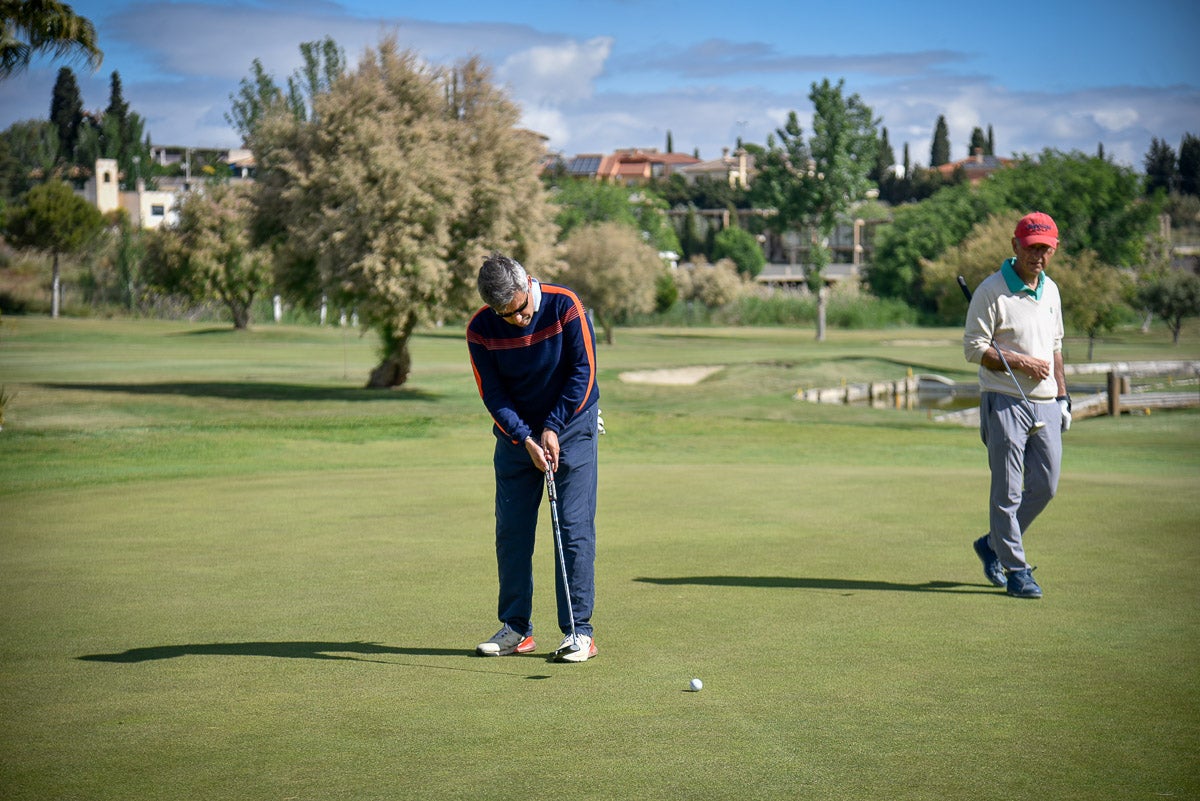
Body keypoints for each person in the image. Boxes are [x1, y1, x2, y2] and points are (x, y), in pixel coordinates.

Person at [466, 253, 601, 660]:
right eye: (505, 315)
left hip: (572, 426)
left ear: (528, 282)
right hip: (516, 436)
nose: (517, 322)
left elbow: (584, 371)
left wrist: (554, 426)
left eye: (520, 310)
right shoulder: (481, 328)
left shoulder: (565, 305)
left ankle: (579, 632)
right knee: (512, 532)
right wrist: (525, 436)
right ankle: (516, 629)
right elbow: (492, 393)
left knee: (572, 529)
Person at [963, 212, 1071, 599]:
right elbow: (974, 348)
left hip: (1045, 404)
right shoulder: (991, 291)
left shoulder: (1052, 291)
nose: (1038, 255)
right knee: (1007, 492)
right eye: (1032, 247)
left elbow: (1055, 347)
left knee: (1046, 485)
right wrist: (1022, 362)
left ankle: (992, 544)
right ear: (1015, 246)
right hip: (1004, 400)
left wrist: (1062, 396)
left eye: (1046, 248)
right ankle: (1016, 569)